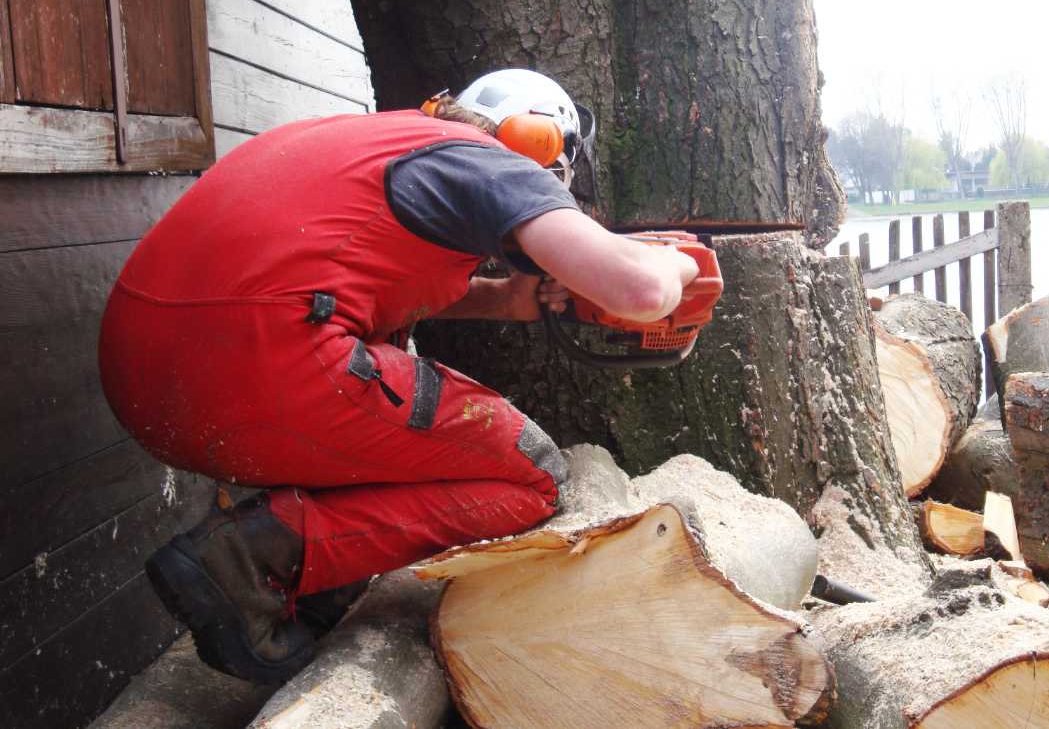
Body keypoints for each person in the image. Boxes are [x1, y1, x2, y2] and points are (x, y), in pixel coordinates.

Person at [97, 69, 698, 683]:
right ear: (541, 142)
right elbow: (640, 290)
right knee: (533, 475)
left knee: (390, 388)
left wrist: (502, 299)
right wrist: (676, 262)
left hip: (142, 383)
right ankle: (247, 559)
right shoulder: (489, 161)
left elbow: (342, 279)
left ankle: (315, 583)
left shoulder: (384, 142)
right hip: (259, 371)